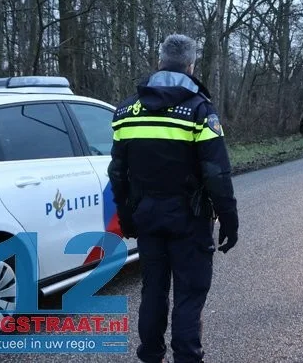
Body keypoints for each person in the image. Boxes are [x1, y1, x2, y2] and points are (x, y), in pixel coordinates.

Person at [108, 33, 239, 363]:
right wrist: (229, 219)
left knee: (153, 290)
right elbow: (216, 173)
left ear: (159, 62)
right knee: (189, 295)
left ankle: (151, 356)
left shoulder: (126, 111)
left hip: (147, 217)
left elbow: (118, 173)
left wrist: (126, 215)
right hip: (190, 220)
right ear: (191, 66)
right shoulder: (199, 110)